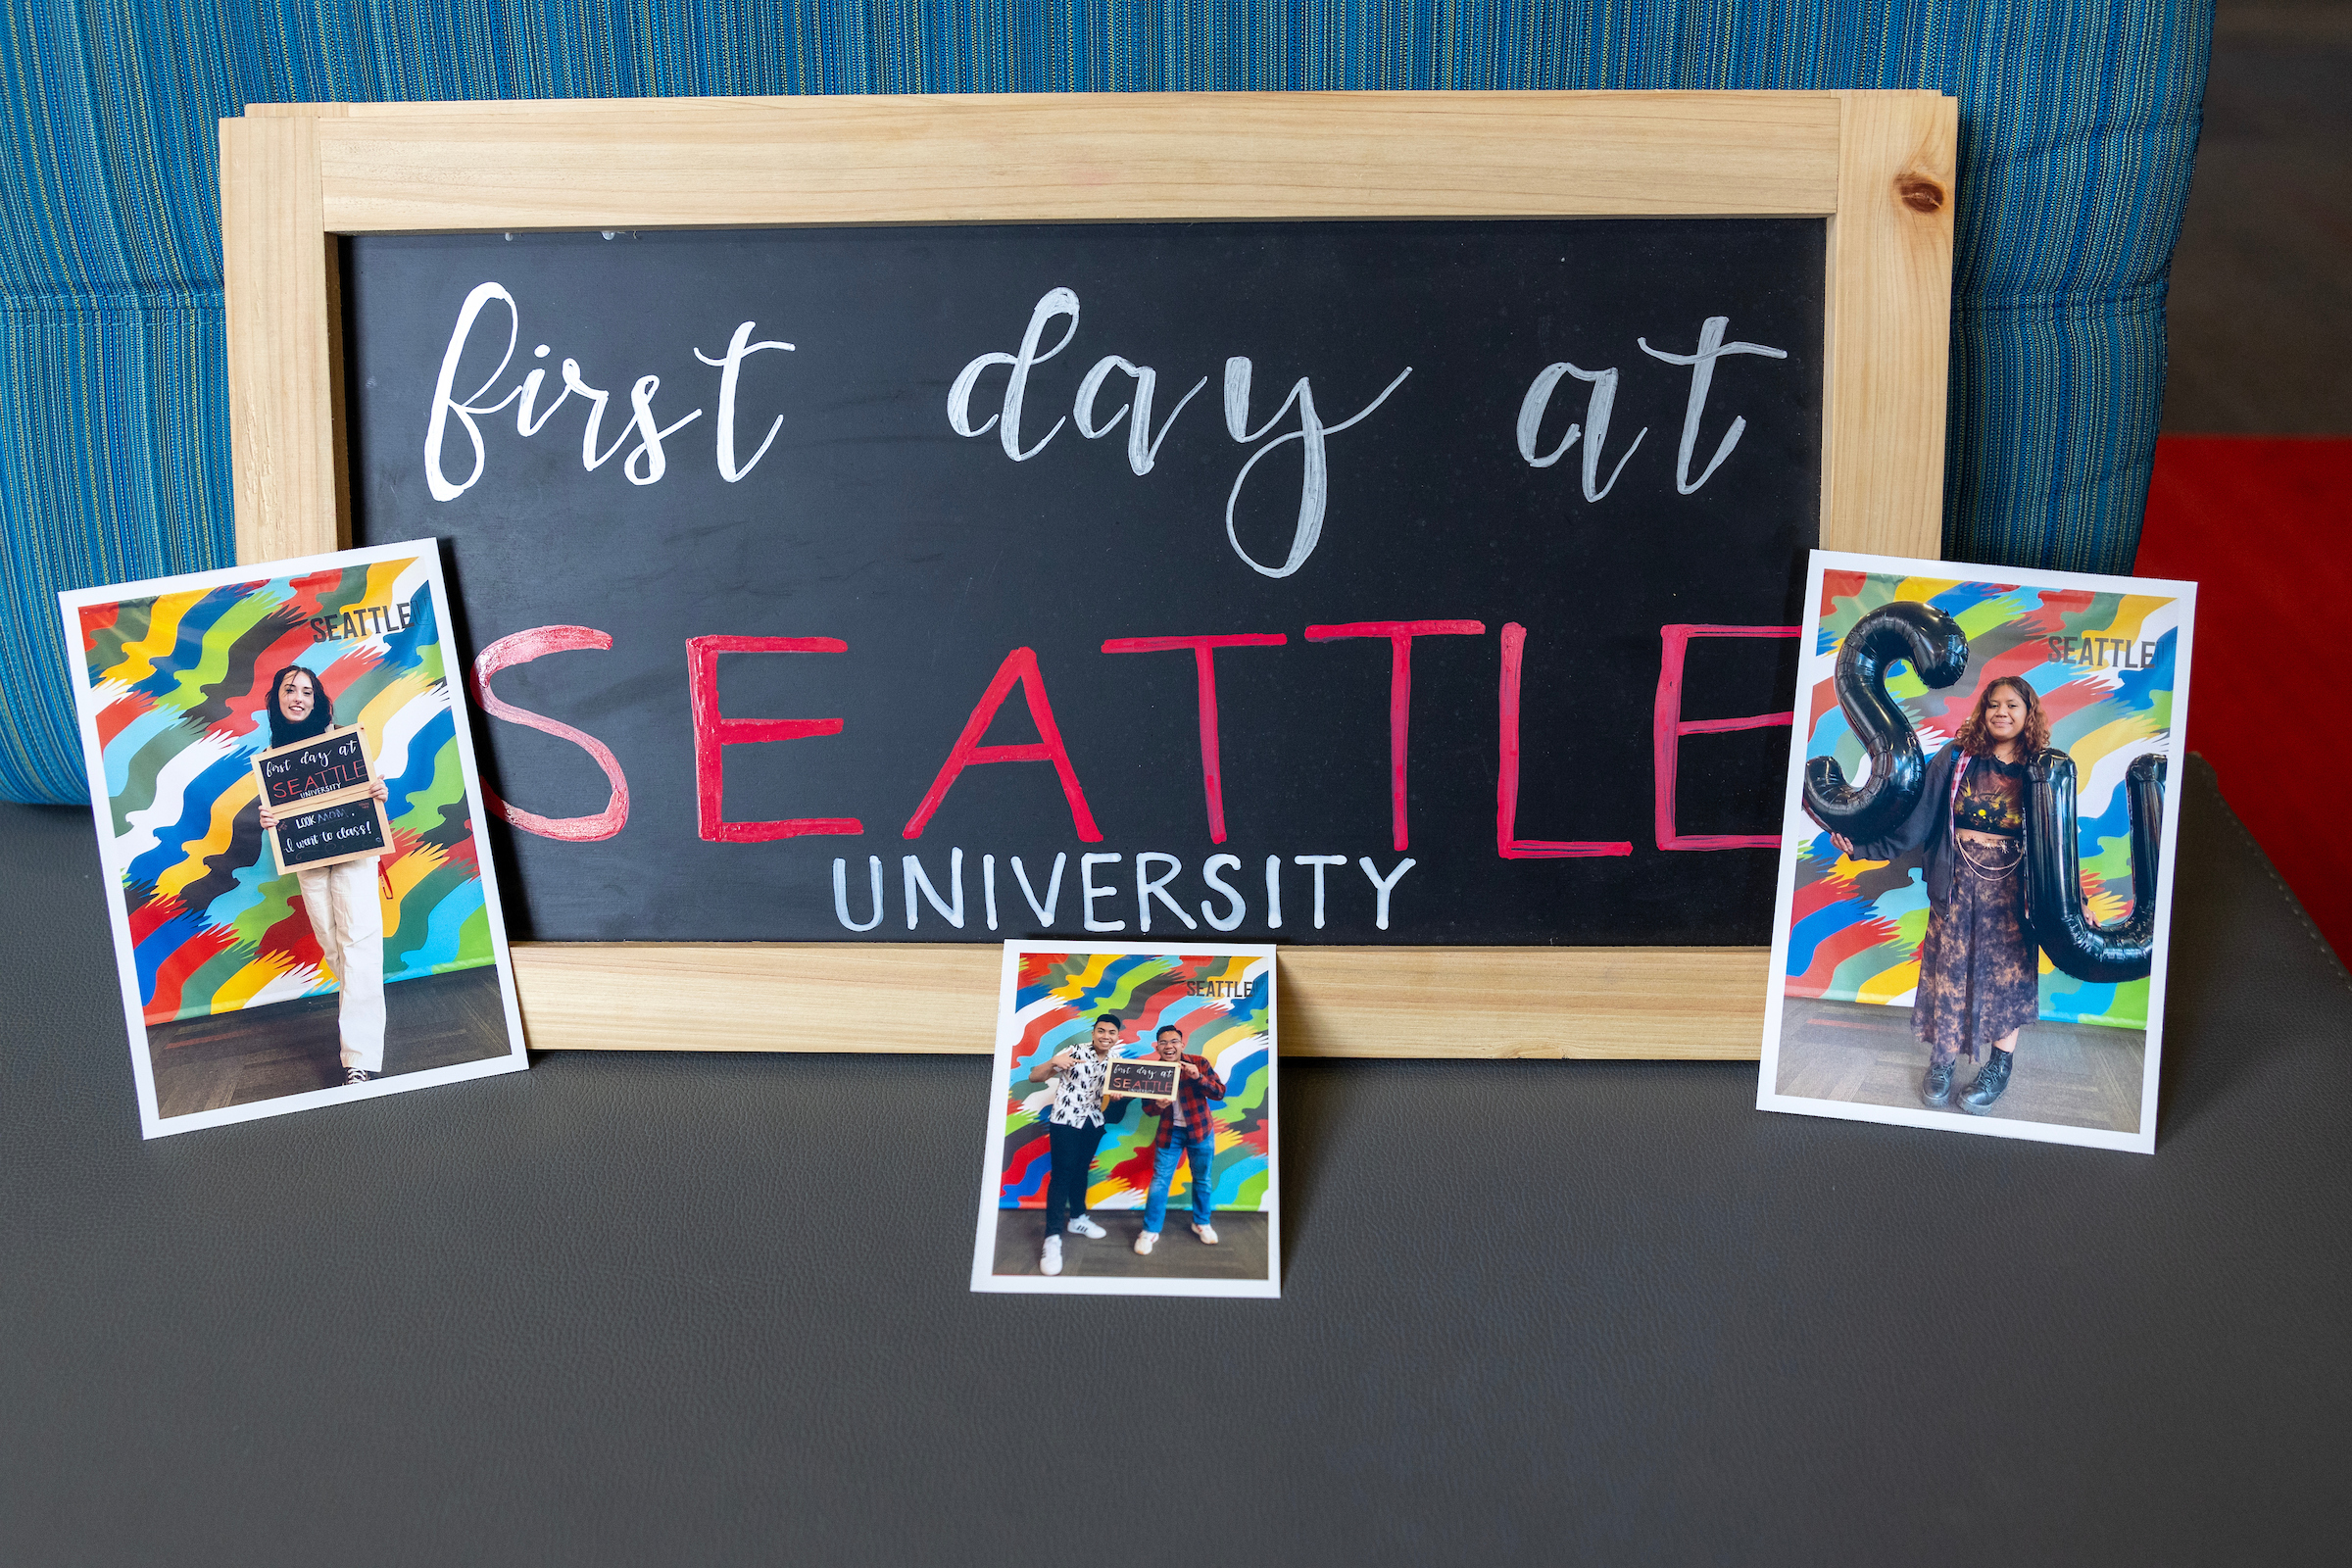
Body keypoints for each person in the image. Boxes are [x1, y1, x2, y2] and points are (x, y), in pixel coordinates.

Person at [1830, 675, 2049, 1114]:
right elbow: (1917, 823)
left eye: (2012, 705)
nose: (2001, 712)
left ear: (2029, 714)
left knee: (2008, 983)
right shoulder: (1956, 758)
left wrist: (2075, 902)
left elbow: (2058, 843)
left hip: (2012, 901)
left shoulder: (2042, 769)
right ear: (1983, 712)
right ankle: (1942, 1062)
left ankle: (1998, 1066)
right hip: (1956, 891)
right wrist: (1864, 847)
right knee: (1948, 980)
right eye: (1993, 705)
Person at [255, 665, 391, 1087]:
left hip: (353, 849)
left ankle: (359, 1059)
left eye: (307, 692)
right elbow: (282, 809)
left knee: (359, 945)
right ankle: (361, 1018)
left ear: (317, 700)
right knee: (334, 946)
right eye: (290, 689)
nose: (298, 697)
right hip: (308, 856)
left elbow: (368, 788)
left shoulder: (342, 741)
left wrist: (379, 793)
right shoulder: (274, 753)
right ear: (277, 696)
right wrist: (270, 819)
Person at [1028, 1012, 1118, 1276]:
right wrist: (1053, 1062)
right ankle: (1052, 1237)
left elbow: (1112, 1095)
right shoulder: (1074, 1051)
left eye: (1111, 1032)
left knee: (1081, 1171)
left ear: (1117, 1037)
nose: (1106, 1036)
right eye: (1101, 1031)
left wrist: (1118, 1096)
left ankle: (1078, 1219)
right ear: (1093, 1033)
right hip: (1065, 1120)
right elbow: (1035, 1076)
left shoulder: (1116, 1063)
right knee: (1062, 1175)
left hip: (1092, 1121)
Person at [1134, 1023, 1228, 1255]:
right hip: (1170, 1133)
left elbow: (1219, 1093)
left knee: (1202, 1179)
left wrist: (1198, 1078)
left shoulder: (1199, 1062)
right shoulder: (1152, 1072)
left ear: (1182, 1044)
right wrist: (1158, 1104)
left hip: (1201, 1131)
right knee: (1159, 1181)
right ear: (1157, 1047)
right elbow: (1147, 1109)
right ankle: (1150, 1230)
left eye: (1174, 1041)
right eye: (1163, 1042)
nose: (1169, 1046)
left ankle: (1202, 1223)